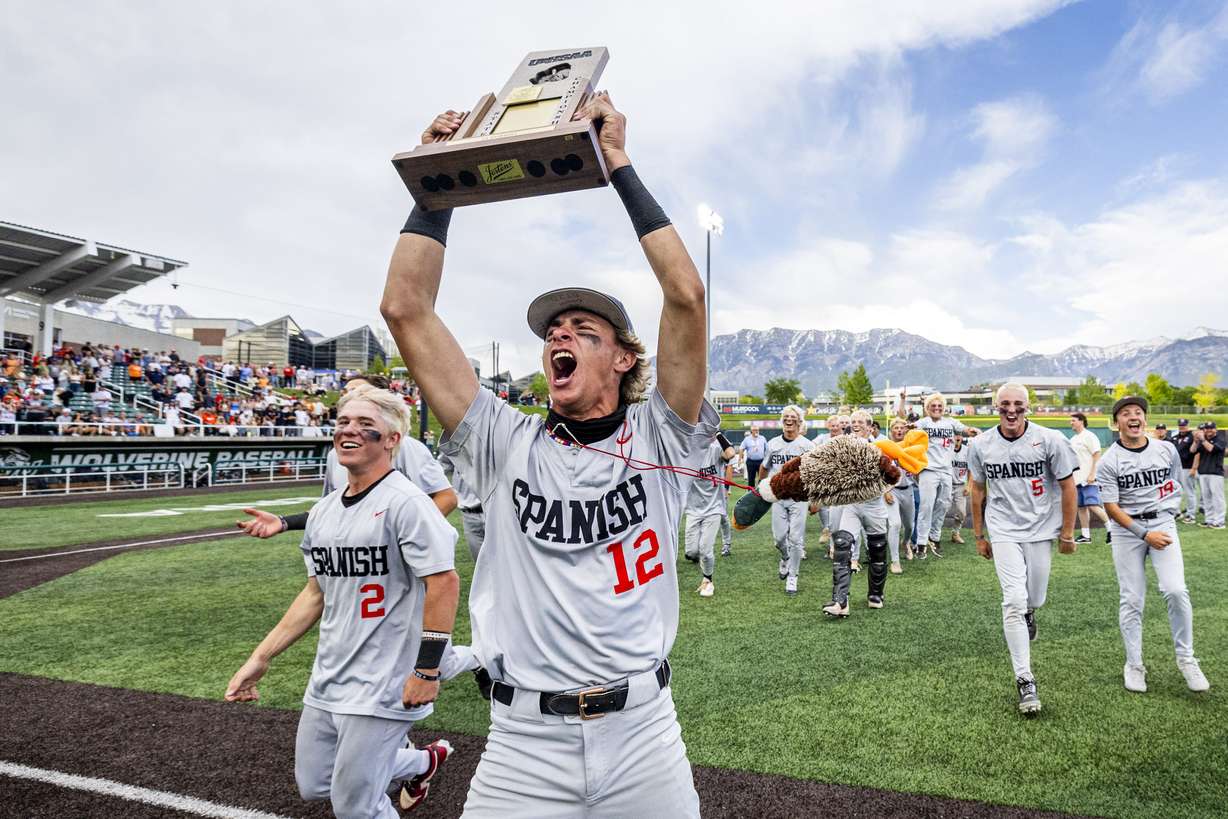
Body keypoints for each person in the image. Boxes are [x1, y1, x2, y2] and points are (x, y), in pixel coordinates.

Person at [380, 94, 713, 816]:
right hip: (523, 743)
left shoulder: (662, 435)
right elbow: (406, 307)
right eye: (553, 328)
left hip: (643, 734)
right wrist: (436, 183)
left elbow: (685, 295)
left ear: (626, 357)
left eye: (584, 328)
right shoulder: (505, 440)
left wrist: (617, 162)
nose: (559, 334)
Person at [224, 387, 461, 816]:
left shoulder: (406, 503)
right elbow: (315, 595)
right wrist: (261, 657)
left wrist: (426, 669)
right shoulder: (324, 512)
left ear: (392, 440)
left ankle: (466, 666)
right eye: (344, 423)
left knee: (356, 806)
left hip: (384, 679)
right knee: (315, 783)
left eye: (366, 426)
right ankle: (423, 761)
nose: (350, 431)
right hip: (330, 675)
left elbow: (444, 583)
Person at [966, 383, 1077, 716]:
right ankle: (1025, 678)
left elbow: (1068, 485)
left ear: (1028, 406)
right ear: (994, 407)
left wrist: (1068, 533)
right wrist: (979, 535)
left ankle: (1031, 612)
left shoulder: (1051, 439)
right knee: (1013, 600)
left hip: (1041, 527)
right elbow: (976, 490)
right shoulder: (981, 444)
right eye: (1004, 405)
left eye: (1017, 404)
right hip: (1003, 529)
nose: (1010, 410)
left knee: (1035, 597)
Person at [237, 374, 457, 536]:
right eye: (346, 392)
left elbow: (446, 497)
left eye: (359, 392)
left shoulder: (406, 447)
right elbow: (328, 508)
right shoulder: (336, 454)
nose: (350, 397)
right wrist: (283, 522)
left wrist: (409, 537)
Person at [1095, 395, 1209, 693]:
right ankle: (1134, 664)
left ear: (1144, 419)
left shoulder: (1166, 449)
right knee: (1132, 598)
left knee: (1175, 589)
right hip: (1126, 529)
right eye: (1126, 413)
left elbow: (1172, 483)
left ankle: (1186, 659)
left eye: (1138, 412)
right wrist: (1144, 534)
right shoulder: (1110, 460)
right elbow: (1110, 506)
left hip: (1161, 522)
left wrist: (1164, 517)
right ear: (1115, 422)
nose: (1134, 417)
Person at [823, 409, 890, 614]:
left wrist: (881, 488)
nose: (856, 424)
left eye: (861, 421)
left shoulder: (881, 447)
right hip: (851, 504)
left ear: (870, 427)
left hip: (874, 505)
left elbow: (896, 476)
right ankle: (840, 602)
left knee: (877, 549)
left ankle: (875, 595)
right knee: (842, 545)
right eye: (853, 421)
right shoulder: (843, 446)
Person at [897, 389, 976, 559]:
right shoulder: (924, 422)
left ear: (944, 407)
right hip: (929, 470)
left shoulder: (950, 423)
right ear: (927, 408)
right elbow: (910, 424)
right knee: (926, 506)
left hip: (946, 470)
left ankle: (935, 536)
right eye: (933, 405)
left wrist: (973, 430)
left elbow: (965, 430)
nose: (937, 408)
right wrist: (910, 425)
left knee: (944, 504)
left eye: (940, 405)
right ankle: (922, 543)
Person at [767, 405, 817, 595]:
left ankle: (793, 577)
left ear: (799, 421)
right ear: (782, 420)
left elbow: (815, 473)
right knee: (779, 539)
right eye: (786, 416)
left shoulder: (807, 446)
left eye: (793, 417)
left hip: (800, 497)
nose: (789, 420)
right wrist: (761, 488)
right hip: (779, 497)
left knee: (796, 539)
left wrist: (815, 499)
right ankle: (785, 557)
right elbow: (765, 468)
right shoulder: (772, 444)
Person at [682, 432, 735, 596]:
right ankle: (702, 561)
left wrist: (717, 433)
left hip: (714, 508)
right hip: (693, 509)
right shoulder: (687, 454)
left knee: (705, 549)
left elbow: (731, 454)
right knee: (691, 552)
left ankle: (708, 580)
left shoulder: (715, 450)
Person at [1069, 412, 1111, 543]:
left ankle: (1112, 531)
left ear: (1081, 421)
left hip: (1089, 478)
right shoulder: (1074, 439)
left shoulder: (1089, 436)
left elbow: (1097, 454)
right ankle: (1085, 535)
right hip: (1077, 479)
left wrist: (1093, 473)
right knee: (1081, 507)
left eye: (1073, 420)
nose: (1071, 423)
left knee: (1093, 505)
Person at [887, 419, 917, 572]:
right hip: (892, 490)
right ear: (891, 431)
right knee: (894, 524)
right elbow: (879, 472)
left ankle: (905, 542)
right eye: (896, 428)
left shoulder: (911, 448)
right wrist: (885, 491)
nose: (899, 430)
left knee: (909, 525)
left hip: (909, 489)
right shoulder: (886, 447)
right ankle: (895, 561)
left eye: (901, 428)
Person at [1192, 422, 1225, 529]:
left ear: (1216, 429)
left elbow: (1212, 449)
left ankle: (1219, 522)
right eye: (1207, 428)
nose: (1209, 430)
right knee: (1206, 498)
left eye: (1211, 428)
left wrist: (1202, 440)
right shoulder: (1202, 441)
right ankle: (1209, 520)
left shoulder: (1220, 440)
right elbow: (1192, 450)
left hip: (1215, 473)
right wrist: (1196, 441)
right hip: (1203, 472)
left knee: (1217, 498)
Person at [1172, 419, 1199, 522]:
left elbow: (1197, 453)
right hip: (1176, 468)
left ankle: (1191, 514)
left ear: (1188, 425)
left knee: (1189, 492)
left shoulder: (1192, 436)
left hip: (1187, 467)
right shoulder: (1175, 437)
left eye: (1184, 425)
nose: (1182, 427)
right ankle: (1177, 512)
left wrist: (1194, 468)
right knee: (1175, 491)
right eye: (1180, 425)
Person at [948, 433, 969, 544]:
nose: (957, 438)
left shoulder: (967, 451)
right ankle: (932, 535)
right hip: (947, 484)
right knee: (942, 509)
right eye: (955, 435)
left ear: (962, 438)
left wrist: (969, 485)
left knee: (962, 512)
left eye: (959, 436)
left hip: (960, 485)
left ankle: (955, 533)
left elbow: (971, 470)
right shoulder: (946, 450)